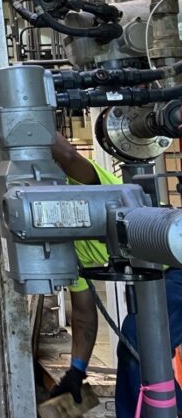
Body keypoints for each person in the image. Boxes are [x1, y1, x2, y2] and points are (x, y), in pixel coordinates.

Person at [49, 134, 182, 416]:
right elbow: (84, 315)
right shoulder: (68, 248)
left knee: (138, 339)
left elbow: (69, 156)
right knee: (138, 345)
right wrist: (77, 370)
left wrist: (27, 118)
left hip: (175, 268)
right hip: (157, 278)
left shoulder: (84, 187)